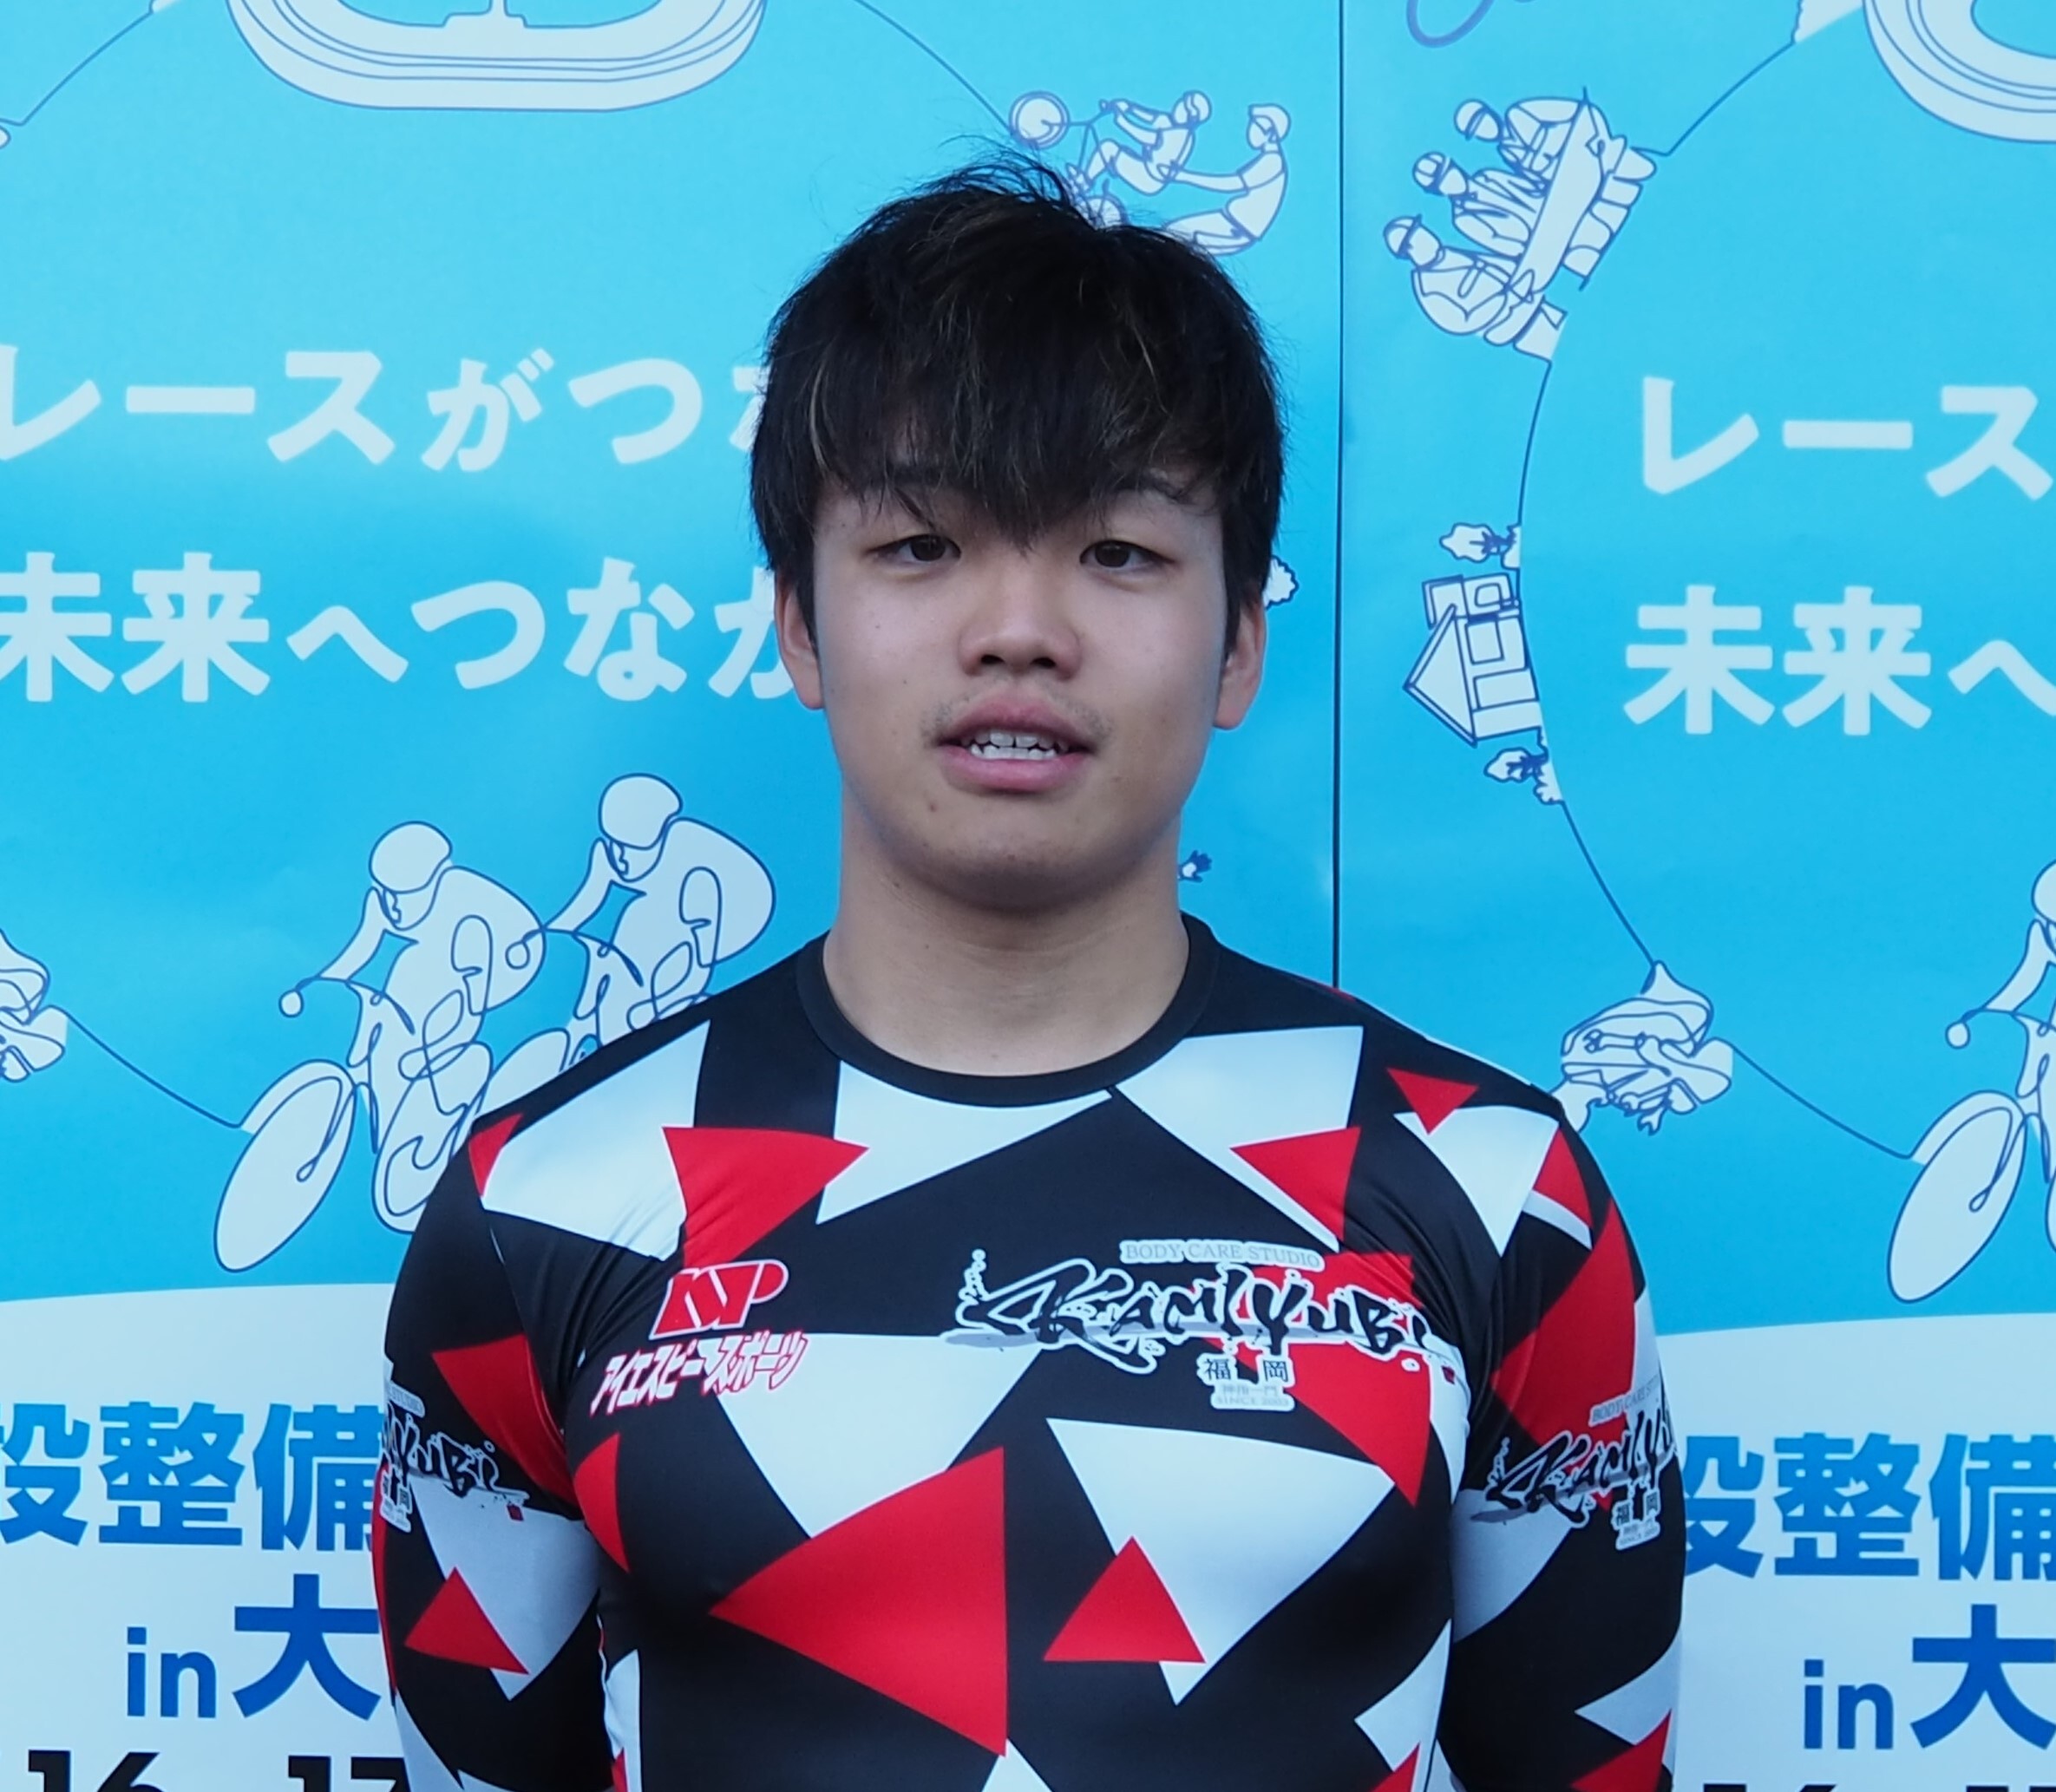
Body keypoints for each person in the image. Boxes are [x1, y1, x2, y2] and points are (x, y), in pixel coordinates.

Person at [376, 160, 1682, 1791]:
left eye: (1117, 551)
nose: (1017, 629)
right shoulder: (543, 1201)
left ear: (1238, 643)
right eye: (921, 544)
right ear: (798, 625)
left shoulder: (1492, 1191)